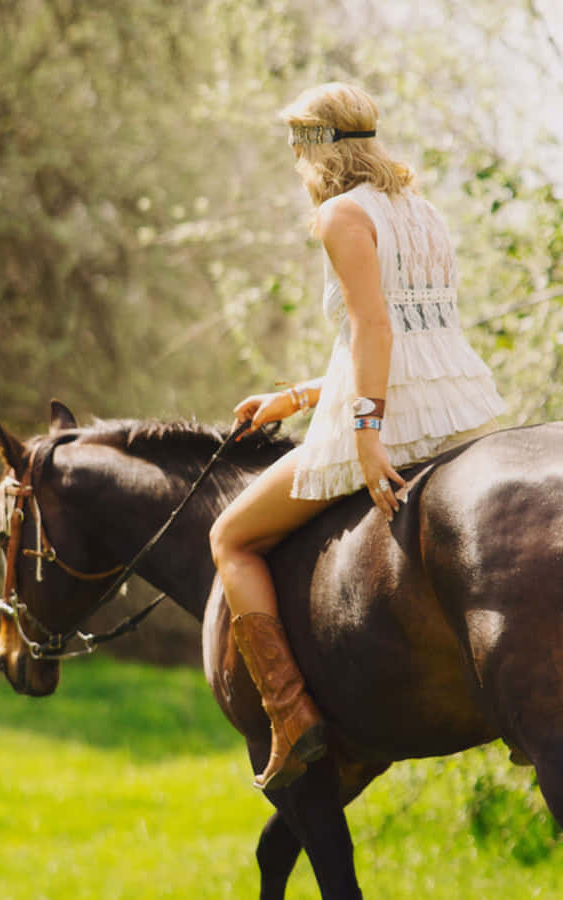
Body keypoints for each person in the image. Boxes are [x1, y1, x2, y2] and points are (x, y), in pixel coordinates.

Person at [209, 82, 505, 791]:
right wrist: (298, 397)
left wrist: (367, 435)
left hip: (391, 420)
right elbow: (410, 334)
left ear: (317, 146)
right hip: (460, 409)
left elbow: (376, 329)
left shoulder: (341, 214)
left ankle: (291, 715)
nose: (290, 155)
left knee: (230, 537)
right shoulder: (421, 210)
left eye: (296, 141)